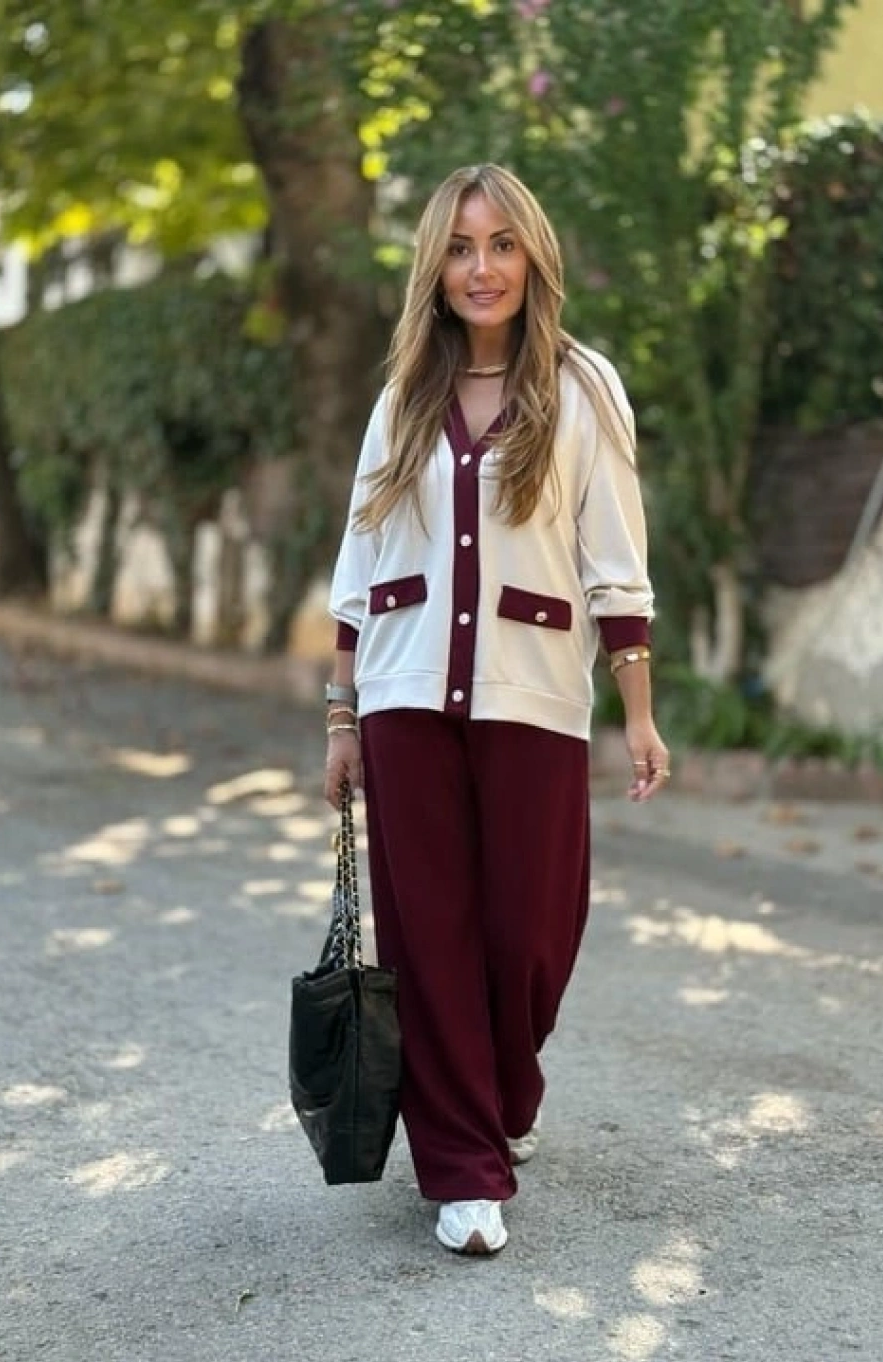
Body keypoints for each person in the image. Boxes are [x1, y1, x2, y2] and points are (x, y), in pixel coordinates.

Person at [323, 163, 670, 1256]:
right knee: (428, 935)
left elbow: (615, 559)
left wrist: (639, 711)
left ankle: (504, 1091)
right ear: (436, 267)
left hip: (535, 690)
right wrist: (341, 717)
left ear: (533, 258)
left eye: (502, 244)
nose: (483, 268)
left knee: (530, 934)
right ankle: (464, 1168)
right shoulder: (402, 397)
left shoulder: (582, 387)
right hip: (404, 692)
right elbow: (358, 563)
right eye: (462, 248)